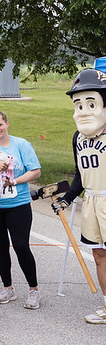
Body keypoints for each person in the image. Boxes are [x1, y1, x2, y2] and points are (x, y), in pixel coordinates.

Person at [52, 69, 106, 323]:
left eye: (91, 103)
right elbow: (81, 175)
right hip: (92, 202)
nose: (83, 110)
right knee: (99, 255)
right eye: (78, 104)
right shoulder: (78, 138)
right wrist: (68, 197)